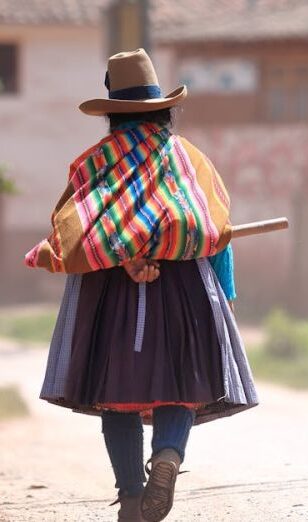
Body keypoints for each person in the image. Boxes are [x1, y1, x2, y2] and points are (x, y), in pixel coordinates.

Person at [25, 49, 258, 522]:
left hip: (110, 291)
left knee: (117, 392)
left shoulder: (92, 164)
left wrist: (126, 257)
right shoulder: (190, 160)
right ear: (164, 109)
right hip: (186, 285)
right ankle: (168, 458)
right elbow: (218, 232)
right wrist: (226, 299)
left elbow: (73, 229)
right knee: (180, 385)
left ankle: (131, 496)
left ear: (112, 112)